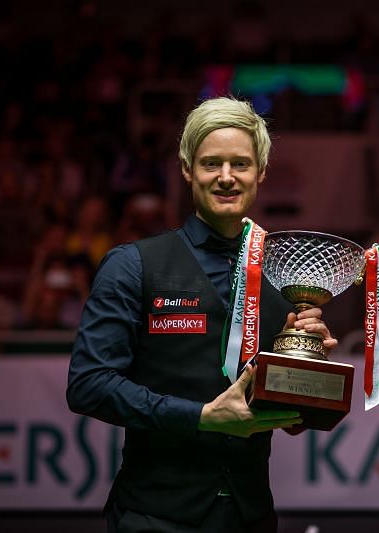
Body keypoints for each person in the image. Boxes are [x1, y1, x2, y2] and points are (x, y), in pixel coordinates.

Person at [67, 96, 337, 533]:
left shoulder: (282, 278)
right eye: (212, 164)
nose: (226, 178)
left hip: (251, 517)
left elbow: (287, 421)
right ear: (187, 169)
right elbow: (87, 386)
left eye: (241, 165)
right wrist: (199, 416)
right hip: (155, 518)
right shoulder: (133, 264)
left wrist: (302, 370)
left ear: (261, 173)